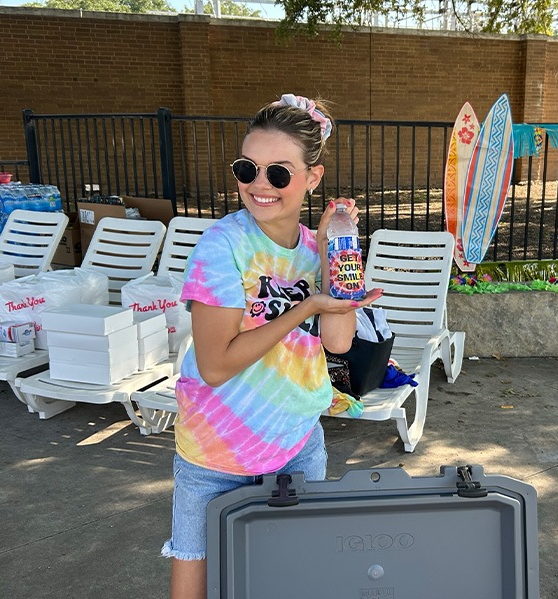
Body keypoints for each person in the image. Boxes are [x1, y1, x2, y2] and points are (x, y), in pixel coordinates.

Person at [163, 93, 382, 598]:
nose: (260, 185)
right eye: (248, 169)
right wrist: (304, 307)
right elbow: (216, 366)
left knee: (293, 581)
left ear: (312, 177)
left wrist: (333, 259)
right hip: (214, 453)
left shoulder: (317, 248)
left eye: (279, 173)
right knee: (194, 581)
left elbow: (338, 341)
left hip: (296, 447)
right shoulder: (222, 246)